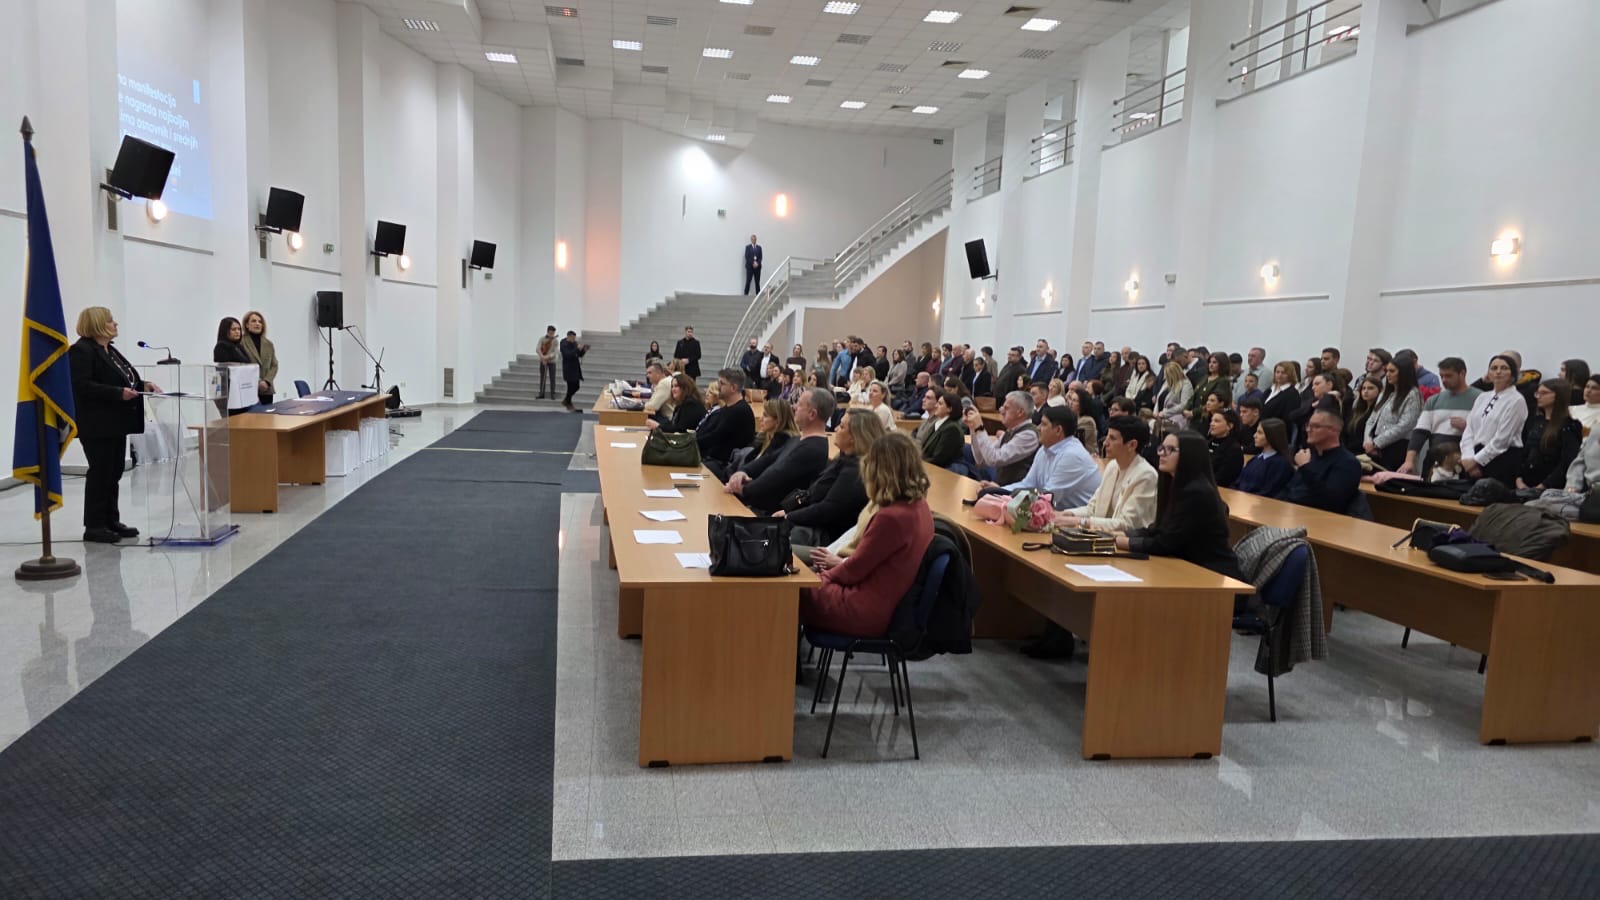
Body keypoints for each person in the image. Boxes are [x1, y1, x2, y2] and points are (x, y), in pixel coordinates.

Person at [801, 432, 935, 636]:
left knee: (788, 588)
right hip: (878, 602)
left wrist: (818, 577)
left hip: (860, 606)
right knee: (796, 581)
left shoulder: (891, 518)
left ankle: (778, 655)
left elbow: (854, 570)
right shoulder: (919, 507)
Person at [69, 307, 158, 543]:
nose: (115, 324)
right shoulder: (81, 351)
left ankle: (111, 520)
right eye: (110, 321)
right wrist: (118, 393)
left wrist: (144, 384)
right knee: (101, 472)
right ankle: (94, 525)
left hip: (116, 422)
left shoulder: (110, 350)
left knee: (114, 470)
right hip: (96, 424)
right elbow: (82, 386)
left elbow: (124, 378)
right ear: (97, 324)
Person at [1114, 430, 1245, 582]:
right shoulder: (1174, 484)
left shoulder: (1197, 492)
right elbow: (1157, 529)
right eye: (1162, 448)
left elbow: (1165, 543)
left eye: (1170, 449)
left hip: (1211, 574)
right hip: (1189, 568)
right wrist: (1120, 534)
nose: (1161, 453)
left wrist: (1120, 541)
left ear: (1190, 455)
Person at [780, 409, 887, 548]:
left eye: (842, 427)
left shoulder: (855, 472)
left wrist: (789, 516)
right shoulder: (844, 459)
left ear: (854, 437)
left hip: (827, 538)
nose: (835, 429)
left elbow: (826, 511)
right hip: (815, 525)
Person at [726, 387, 833, 513]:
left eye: (799, 405)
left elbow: (774, 478)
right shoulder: (798, 439)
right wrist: (743, 471)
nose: (794, 407)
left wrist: (742, 489)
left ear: (812, 414)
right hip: (757, 501)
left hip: (769, 513)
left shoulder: (812, 449)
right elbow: (768, 460)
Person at [979, 405, 1102, 510]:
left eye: (1043, 424)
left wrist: (1003, 495)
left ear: (1058, 430)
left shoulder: (1072, 456)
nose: (1038, 428)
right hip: (1057, 513)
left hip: (1079, 522)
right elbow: (1028, 483)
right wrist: (1000, 491)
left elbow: (1047, 497)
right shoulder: (1045, 449)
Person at [1053, 415, 1157, 533]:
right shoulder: (1113, 466)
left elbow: (1127, 524)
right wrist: (1065, 514)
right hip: (1104, 537)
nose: (1105, 442)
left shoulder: (1146, 476)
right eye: (1107, 436)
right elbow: (1093, 509)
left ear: (1132, 445)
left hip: (1125, 541)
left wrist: (1080, 521)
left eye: (1112, 438)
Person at [1459, 354, 1529, 486]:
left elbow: (1502, 440)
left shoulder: (1516, 400)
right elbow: (1469, 430)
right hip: (1474, 456)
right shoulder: (1482, 397)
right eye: (1494, 368)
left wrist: (1477, 461)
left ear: (1513, 374)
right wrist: (1467, 457)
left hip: (1501, 459)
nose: (1498, 372)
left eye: (1504, 368)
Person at [1280, 409, 1363, 513]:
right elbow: (1290, 489)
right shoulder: (1311, 455)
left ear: (1334, 430)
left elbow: (1330, 500)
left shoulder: (1348, 463)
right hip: (1291, 511)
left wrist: (1305, 468)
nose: (1308, 430)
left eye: (1316, 426)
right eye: (1308, 425)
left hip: (1318, 517)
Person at [960, 390, 1039, 483]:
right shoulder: (1011, 430)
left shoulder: (1029, 435)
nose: (1001, 411)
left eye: (1006, 408)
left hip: (1011, 489)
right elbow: (981, 460)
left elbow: (993, 459)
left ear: (1020, 412)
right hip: (999, 481)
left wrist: (980, 428)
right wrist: (973, 427)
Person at [1517, 379, 1582, 491]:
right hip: (1525, 482)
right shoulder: (1535, 420)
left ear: (1559, 395)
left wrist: (1544, 485)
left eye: (1544, 393)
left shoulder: (1569, 425)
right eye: (1538, 393)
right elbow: (1525, 452)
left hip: (1550, 487)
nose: (1539, 397)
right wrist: (1518, 479)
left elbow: (1567, 462)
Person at [696, 369, 757, 479]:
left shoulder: (740, 411)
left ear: (733, 388)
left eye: (722, 383)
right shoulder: (726, 409)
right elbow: (708, 432)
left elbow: (714, 437)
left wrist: (691, 443)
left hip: (724, 466)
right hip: (713, 460)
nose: (718, 386)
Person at [1363, 356, 1422, 471]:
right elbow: (1371, 420)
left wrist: (1377, 443)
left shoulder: (1413, 394)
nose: (1388, 374)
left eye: (1392, 371)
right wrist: (1368, 441)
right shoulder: (1385, 393)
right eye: (1387, 371)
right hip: (1375, 446)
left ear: (1404, 373)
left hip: (1397, 447)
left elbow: (1405, 425)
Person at [1237, 418, 1295, 497]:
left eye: (1260, 433)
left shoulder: (1280, 464)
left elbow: (1269, 492)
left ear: (1271, 436)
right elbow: (1239, 482)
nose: (1254, 436)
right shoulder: (1255, 459)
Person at [917, 390, 966, 467]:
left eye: (940, 404)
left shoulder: (952, 429)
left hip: (942, 470)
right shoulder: (938, 423)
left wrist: (916, 462)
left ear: (949, 409)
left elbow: (938, 459)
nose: (936, 406)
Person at [744, 398, 799, 465]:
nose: (761, 419)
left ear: (778, 420)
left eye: (765, 416)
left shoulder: (782, 440)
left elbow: (761, 465)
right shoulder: (767, 436)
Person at [240, 311, 277, 405]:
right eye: (253, 321)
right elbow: (242, 365)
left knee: (267, 414)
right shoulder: (241, 342)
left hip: (267, 390)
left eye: (260, 322)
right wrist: (259, 381)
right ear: (247, 325)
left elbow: (274, 365)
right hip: (249, 388)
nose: (257, 324)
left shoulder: (269, 344)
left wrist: (267, 381)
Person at [1187, 352, 1232, 426]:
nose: (1211, 365)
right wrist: (1186, 409)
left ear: (1222, 364)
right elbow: (1194, 396)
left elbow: (1216, 402)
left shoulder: (1223, 381)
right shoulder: (1205, 378)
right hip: (1194, 418)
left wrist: (1194, 412)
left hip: (1208, 418)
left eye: (1214, 362)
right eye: (1210, 362)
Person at [1344, 376, 1381, 455]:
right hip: (1349, 450)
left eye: (1370, 388)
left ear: (1379, 390)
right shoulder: (1356, 411)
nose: (1366, 391)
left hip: (1365, 452)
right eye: (1363, 388)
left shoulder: (1379, 412)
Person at [1207, 408, 1244, 487]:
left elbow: (1223, 479)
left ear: (1230, 426)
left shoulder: (1234, 450)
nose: (1211, 424)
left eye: (1216, 421)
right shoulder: (1207, 443)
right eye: (1211, 420)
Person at [1154, 360, 1193, 432]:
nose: (1165, 377)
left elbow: (1184, 405)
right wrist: (1156, 413)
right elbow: (1159, 398)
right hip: (1161, 418)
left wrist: (1165, 413)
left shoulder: (1186, 384)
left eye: (1167, 375)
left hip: (1175, 421)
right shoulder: (1166, 383)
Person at [1261, 361, 1301, 426]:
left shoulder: (1292, 394)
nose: (1279, 375)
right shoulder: (1269, 390)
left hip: (1275, 428)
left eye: (1283, 373)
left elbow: (1287, 418)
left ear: (1290, 375)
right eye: (1277, 372)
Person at [559, 330, 588, 410]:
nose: (574, 340)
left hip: (575, 368)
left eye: (574, 338)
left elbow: (579, 354)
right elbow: (567, 354)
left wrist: (583, 350)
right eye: (572, 338)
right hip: (568, 368)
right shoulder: (563, 343)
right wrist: (577, 349)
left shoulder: (574, 343)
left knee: (576, 386)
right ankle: (568, 402)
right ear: (568, 336)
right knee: (570, 386)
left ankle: (567, 400)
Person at [537, 326, 559, 400]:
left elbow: (555, 352)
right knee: (542, 377)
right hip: (543, 360)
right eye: (551, 333)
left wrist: (547, 357)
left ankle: (553, 394)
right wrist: (542, 357)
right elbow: (538, 349)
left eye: (553, 333)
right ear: (548, 331)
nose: (552, 334)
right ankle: (541, 394)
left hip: (552, 361)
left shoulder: (555, 341)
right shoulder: (542, 339)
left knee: (552, 378)